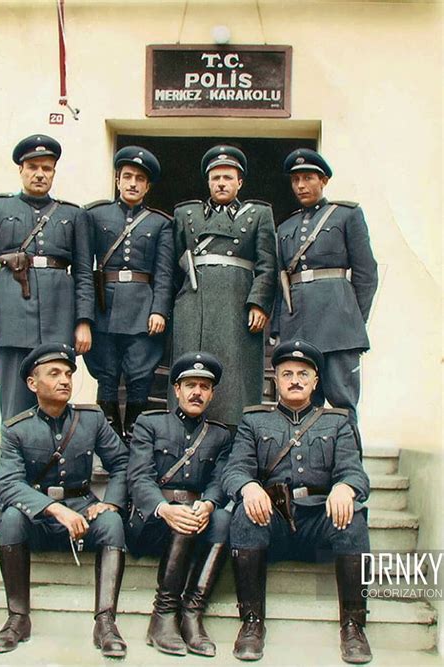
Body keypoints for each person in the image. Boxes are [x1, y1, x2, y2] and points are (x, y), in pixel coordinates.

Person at [222, 340, 372, 664]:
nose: (295, 379)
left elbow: (355, 473)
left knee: (355, 516)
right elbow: (234, 470)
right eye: (287, 373)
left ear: (316, 381)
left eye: (303, 374)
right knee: (244, 514)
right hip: (272, 521)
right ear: (275, 378)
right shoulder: (253, 421)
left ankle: (353, 626)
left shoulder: (337, 422)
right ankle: (251, 622)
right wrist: (248, 487)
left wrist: (345, 488)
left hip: (318, 524)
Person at [0, 343, 129, 658]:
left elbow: (122, 463)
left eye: (68, 373)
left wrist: (112, 502)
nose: (65, 380)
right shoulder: (16, 429)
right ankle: (17, 618)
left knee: (112, 522)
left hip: (83, 508)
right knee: (11, 518)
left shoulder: (91, 420)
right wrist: (56, 510)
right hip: (39, 519)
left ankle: (106, 621)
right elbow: (8, 483)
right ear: (32, 383)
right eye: (54, 374)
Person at [0, 134, 93, 421]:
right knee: (15, 402)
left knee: (56, 395)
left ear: (54, 172)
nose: (40, 174)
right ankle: (14, 465)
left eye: (47, 168)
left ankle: (53, 464)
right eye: (33, 167)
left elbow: (84, 272)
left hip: (59, 318)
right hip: (11, 319)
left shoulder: (73, 214)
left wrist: (83, 322)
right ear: (21, 170)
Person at [126, 352, 232, 657]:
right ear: (176, 390)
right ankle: (162, 616)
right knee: (183, 517)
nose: (196, 392)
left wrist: (210, 504)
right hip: (150, 524)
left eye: (204, 386)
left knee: (224, 520)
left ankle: (191, 614)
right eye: (190, 385)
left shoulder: (220, 435)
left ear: (211, 394)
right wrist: (165, 508)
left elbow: (219, 480)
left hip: (193, 525)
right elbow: (139, 478)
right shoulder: (149, 424)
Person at [272, 148, 378, 449]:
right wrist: (280, 327)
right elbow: (281, 280)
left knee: (343, 402)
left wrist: (353, 317)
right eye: (295, 180)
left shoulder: (347, 215)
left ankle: (350, 476)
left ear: (324, 180)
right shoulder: (285, 227)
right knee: (301, 403)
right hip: (299, 326)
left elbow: (366, 273)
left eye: (308, 178)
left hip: (338, 326)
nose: (301, 186)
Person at [171, 145, 277, 429]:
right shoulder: (186, 214)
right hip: (194, 304)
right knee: (191, 371)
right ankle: (185, 437)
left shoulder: (258, 214)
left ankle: (236, 439)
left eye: (228, 178)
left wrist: (259, 302)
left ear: (239, 182)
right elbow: (171, 267)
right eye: (216, 177)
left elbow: (268, 264)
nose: (221, 183)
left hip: (237, 303)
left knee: (236, 377)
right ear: (208, 181)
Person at [84, 146, 174, 439]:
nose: (133, 183)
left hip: (142, 308)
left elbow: (164, 273)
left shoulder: (160, 223)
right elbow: (85, 267)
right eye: (127, 177)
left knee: (140, 374)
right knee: (106, 373)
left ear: (147, 186)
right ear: (117, 181)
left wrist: (159, 309)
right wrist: (85, 314)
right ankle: (109, 437)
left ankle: (135, 436)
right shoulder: (96, 215)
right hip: (104, 306)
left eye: (139, 178)